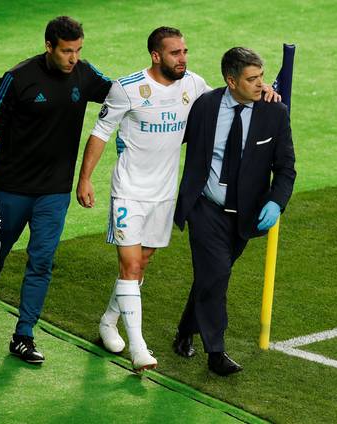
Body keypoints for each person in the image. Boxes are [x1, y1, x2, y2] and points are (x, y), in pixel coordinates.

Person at [76, 28, 278, 371]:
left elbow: (229, 98)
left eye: (184, 51)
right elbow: (100, 133)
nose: (182, 58)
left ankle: (108, 322)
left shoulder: (193, 86)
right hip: (128, 191)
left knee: (141, 264)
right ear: (156, 56)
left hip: (165, 194)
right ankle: (138, 349)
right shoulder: (127, 89)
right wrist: (85, 180)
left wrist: (263, 91)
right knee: (129, 265)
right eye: (174, 53)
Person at [0, 16, 112, 364]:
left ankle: (23, 335)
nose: (73, 58)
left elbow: (120, 93)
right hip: (11, 188)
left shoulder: (84, 74)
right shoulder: (18, 79)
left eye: (77, 50)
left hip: (54, 193)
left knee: (41, 261)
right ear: (49, 47)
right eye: (66, 51)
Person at [172, 47, 296, 376]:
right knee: (217, 275)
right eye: (251, 79)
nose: (260, 84)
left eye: (261, 77)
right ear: (231, 81)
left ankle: (185, 330)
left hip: (245, 215)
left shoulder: (275, 113)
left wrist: (276, 201)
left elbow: (286, 169)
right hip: (205, 208)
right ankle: (216, 352)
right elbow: (173, 140)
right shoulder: (206, 106)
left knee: (210, 277)